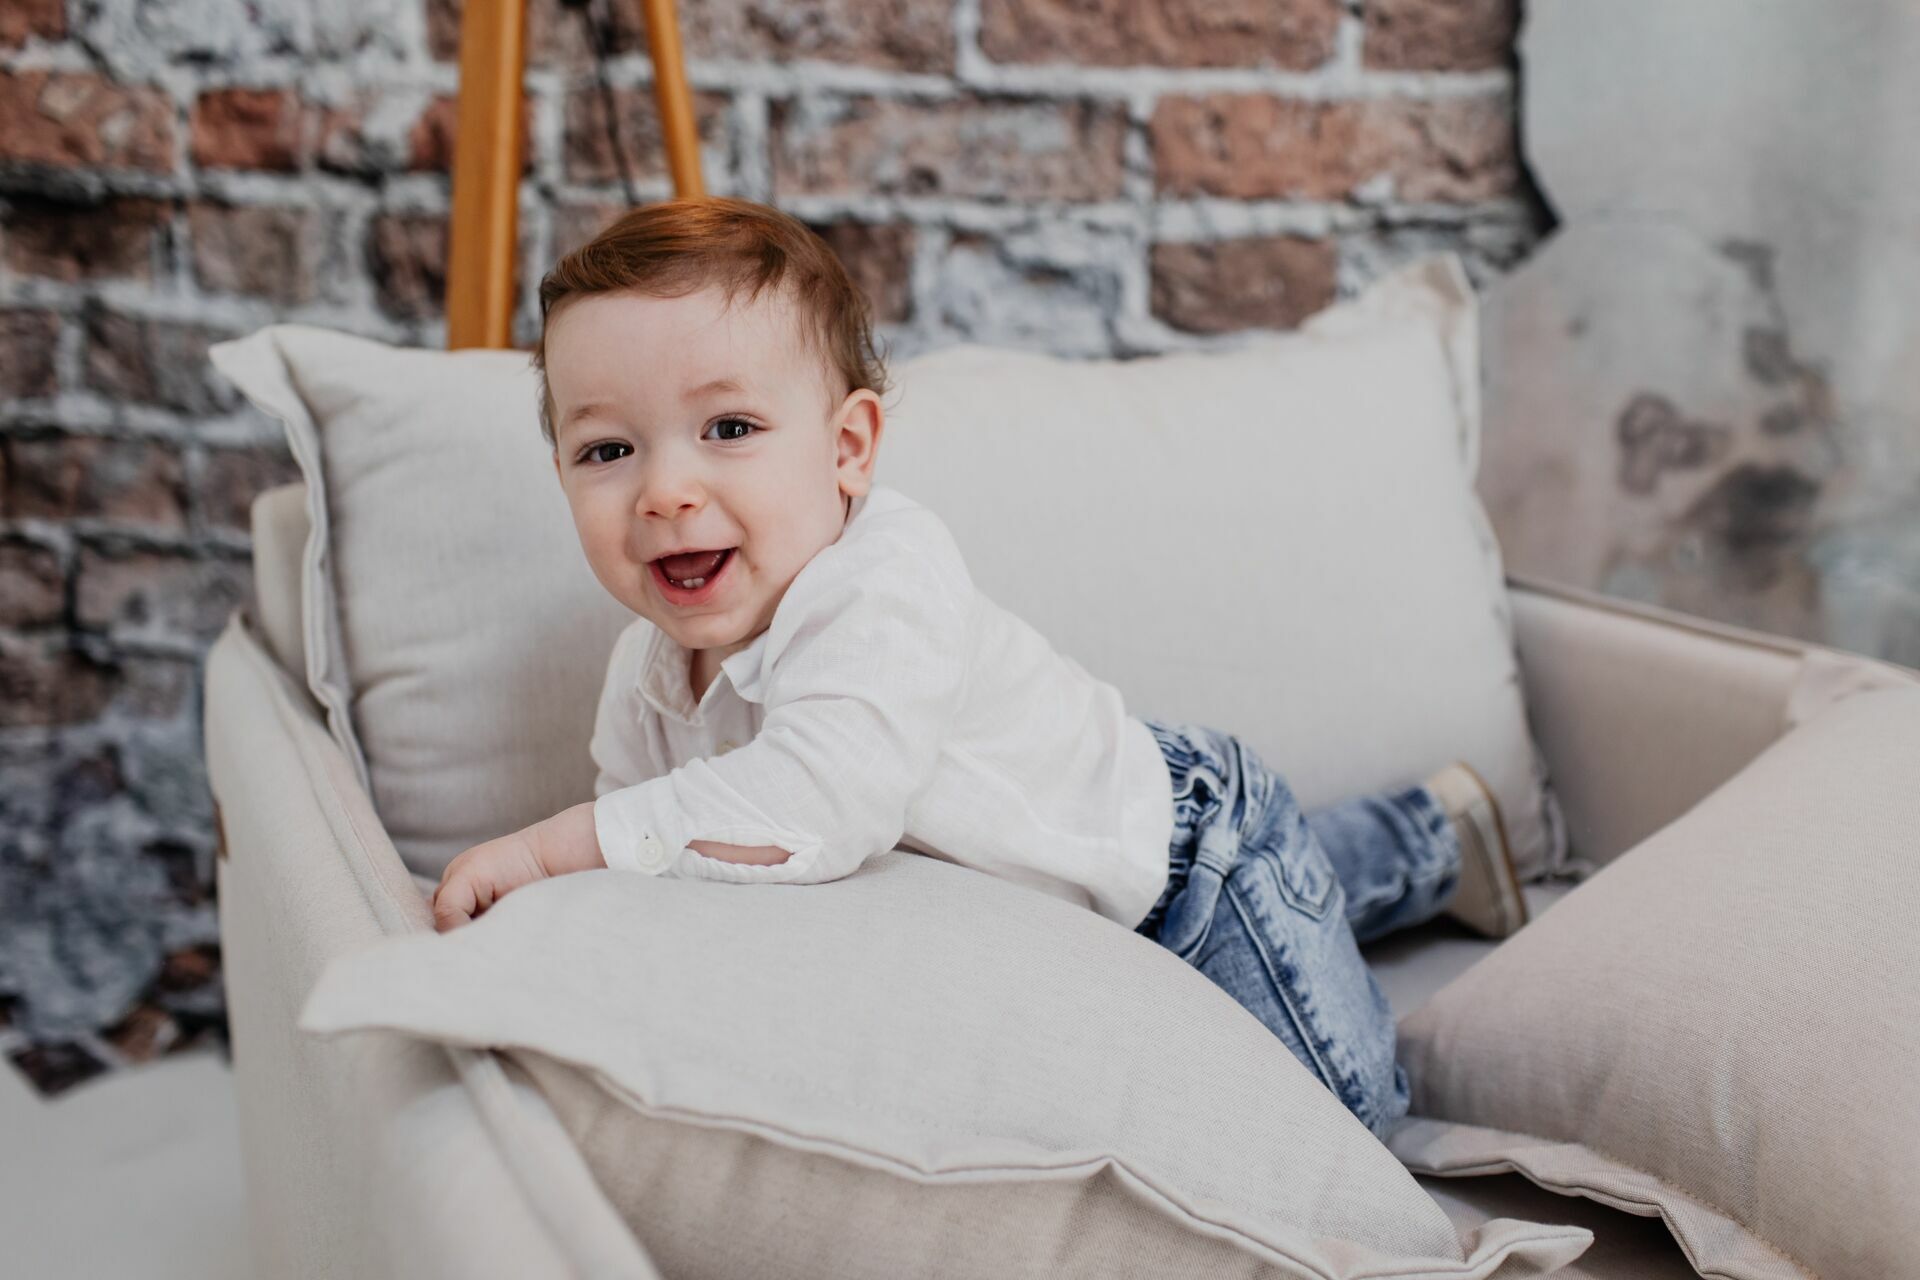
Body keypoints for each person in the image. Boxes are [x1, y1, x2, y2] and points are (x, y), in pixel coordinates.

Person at [429, 195, 1530, 1138]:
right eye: (607, 449)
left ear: (849, 448)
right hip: (1083, 845)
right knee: (1308, 909)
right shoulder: (645, 669)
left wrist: (549, 849)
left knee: (1349, 1124)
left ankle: (1424, 844)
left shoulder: (880, 583)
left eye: (726, 426)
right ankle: (1418, 830)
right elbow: (658, 855)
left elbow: (820, 799)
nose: (665, 489)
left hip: (1192, 871)